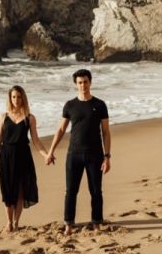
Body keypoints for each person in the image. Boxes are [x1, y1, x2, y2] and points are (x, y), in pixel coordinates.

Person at [45, 69, 111, 234]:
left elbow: (106, 132)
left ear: (90, 82)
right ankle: (69, 223)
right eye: (80, 83)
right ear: (76, 84)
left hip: (95, 154)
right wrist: (51, 151)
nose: (83, 85)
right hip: (73, 154)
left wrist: (107, 156)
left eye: (85, 82)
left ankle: (96, 222)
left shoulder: (99, 105)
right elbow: (61, 129)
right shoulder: (70, 105)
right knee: (71, 191)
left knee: (96, 190)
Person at [0, 85, 49, 232]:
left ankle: (16, 222)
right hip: (6, 156)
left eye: (19, 97)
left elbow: (36, 140)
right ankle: (8, 222)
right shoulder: (3, 117)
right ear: (10, 99)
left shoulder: (30, 118)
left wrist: (46, 155)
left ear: (23, 98)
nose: (16, 100)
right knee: (7, 190)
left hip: (23, 156)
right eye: (14, 97)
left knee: (20, 191)